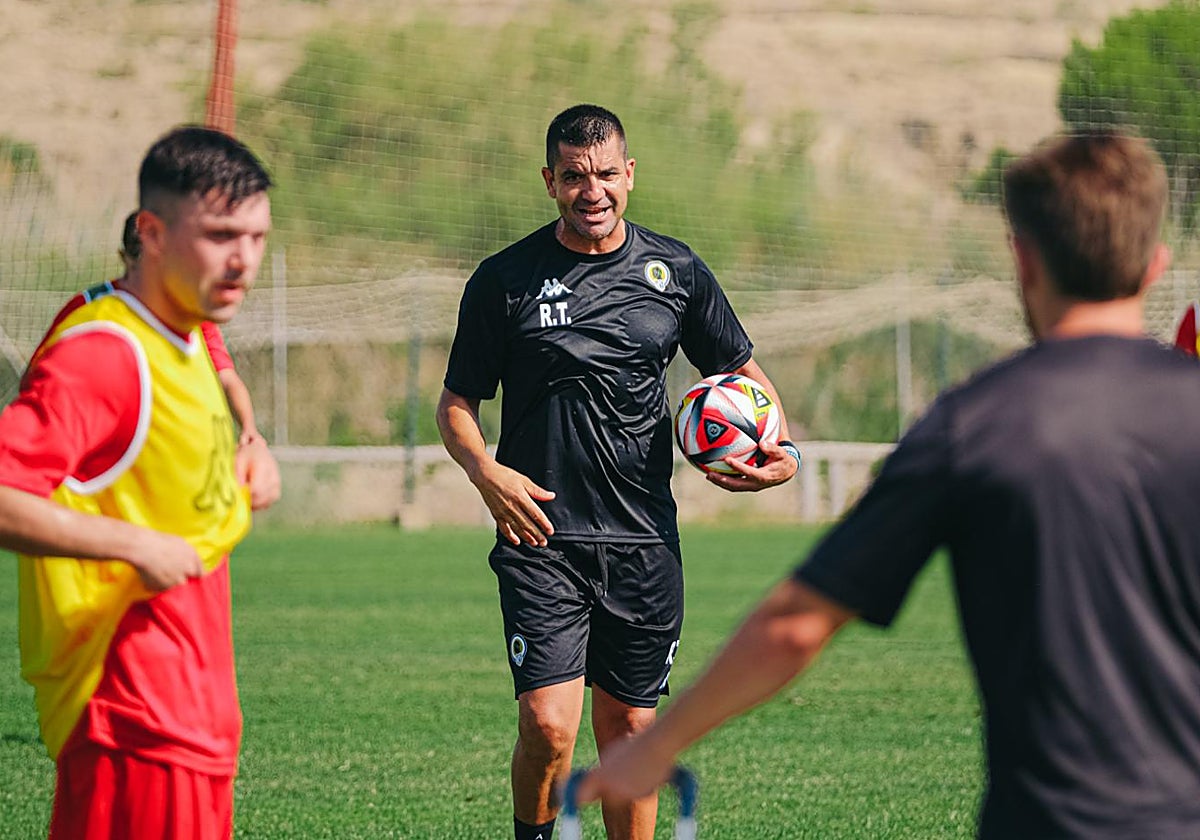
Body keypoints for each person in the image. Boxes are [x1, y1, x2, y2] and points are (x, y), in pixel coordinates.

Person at [575, 131, 1200, 838]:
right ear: (1156, 267)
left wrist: (653, 748)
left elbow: (794, 626)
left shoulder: (975, 426)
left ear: (1023, 261)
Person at [436, 103, 801, 840]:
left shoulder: (677, 272)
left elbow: (739, 371)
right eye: (574, 176)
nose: (591, 190)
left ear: (629, 175)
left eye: (605, 174)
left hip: (641, 540)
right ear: (550, 181)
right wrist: (485, 472)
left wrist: (782, 451)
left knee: (632, 728)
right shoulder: (504, 280)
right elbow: (455, 404)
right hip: (541, 533)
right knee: (548, 726)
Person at [0, 126, 274, 839]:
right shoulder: (105, 351)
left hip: (194, 713)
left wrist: (248, 452)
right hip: (131, 715)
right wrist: (130, 543)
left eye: (256, 237)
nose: (243, 260)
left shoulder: (183, 343)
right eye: (220, 235)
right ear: (150, 232)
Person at [119, 210, 281, 510]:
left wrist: (249, 429)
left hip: (192, 475)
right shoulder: (95, 317)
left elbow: (226, 376)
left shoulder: (191, 318)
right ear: (125, 259)